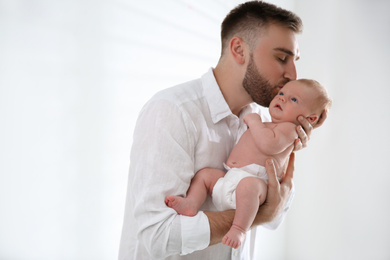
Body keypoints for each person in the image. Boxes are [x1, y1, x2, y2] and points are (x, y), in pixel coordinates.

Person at [119, 1, 327, 259]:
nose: (293, 75)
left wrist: (284, 157)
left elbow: (275, 219)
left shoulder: (267, 119)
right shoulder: (173, 111)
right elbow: (158, 236)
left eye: (294, 61)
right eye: (282, 58)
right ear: (239, 49)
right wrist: (258, 213)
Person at [165, 79, 332, 249]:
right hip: (228, 180)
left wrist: (254, 122)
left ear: (309, 118)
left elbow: (268, 143)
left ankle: (239, 229)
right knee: (205, 175)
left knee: (249, 186)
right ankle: (192, 203)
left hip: (252, 186)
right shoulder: (268, 123)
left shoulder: (289, 130)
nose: (282, 98)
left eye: (294, 99)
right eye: (282, 94)